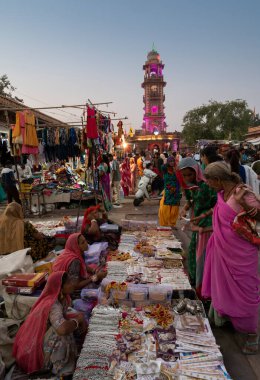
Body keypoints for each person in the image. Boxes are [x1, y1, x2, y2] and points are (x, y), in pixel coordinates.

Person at [202, 162, 260, 354]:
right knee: (225, 287)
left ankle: (252, 335)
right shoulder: (222, 194)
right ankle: (228, 318)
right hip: (222, 250)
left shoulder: (242, 192)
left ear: (218, 180)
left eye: (209, 180)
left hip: (241, 254)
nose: (207, 184)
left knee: (246, 292)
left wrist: (244, 203)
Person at [13, 271, 87, 376]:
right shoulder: (53, 305)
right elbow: (62, 329)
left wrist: (78, 318)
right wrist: (77, 321)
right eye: (69, 282)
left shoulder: (62, 298)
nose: (73, 284)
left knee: (72, 318)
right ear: (60, 288)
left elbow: (66, 314)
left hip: (41, 338)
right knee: (63, 332)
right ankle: (58, 368)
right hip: (35, 350)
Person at [177, 158, 217, 292]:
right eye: (184, 175)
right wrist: (185, 208)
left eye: (190, 174)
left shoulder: (207, 185)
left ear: (196, 171)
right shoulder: (190, 186)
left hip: (207, 226)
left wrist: (205, 215)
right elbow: (192, 200)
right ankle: (195, 281)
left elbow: (217, 204)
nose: (187, 177)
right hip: (196, 223)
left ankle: (203, 287)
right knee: (194, 252)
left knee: (203, 255)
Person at [158, 156, 181, 227]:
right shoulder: (165, 169)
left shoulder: (176, 170)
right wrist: (165, 161)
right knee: (165, 206)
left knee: (174, 207)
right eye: (170, 161)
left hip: (176, 191)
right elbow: (162, 167)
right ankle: (164, 223)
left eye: (173, 161)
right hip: (168, 191)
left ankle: (172, 223)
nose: (172, 162)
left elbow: (180, 179)